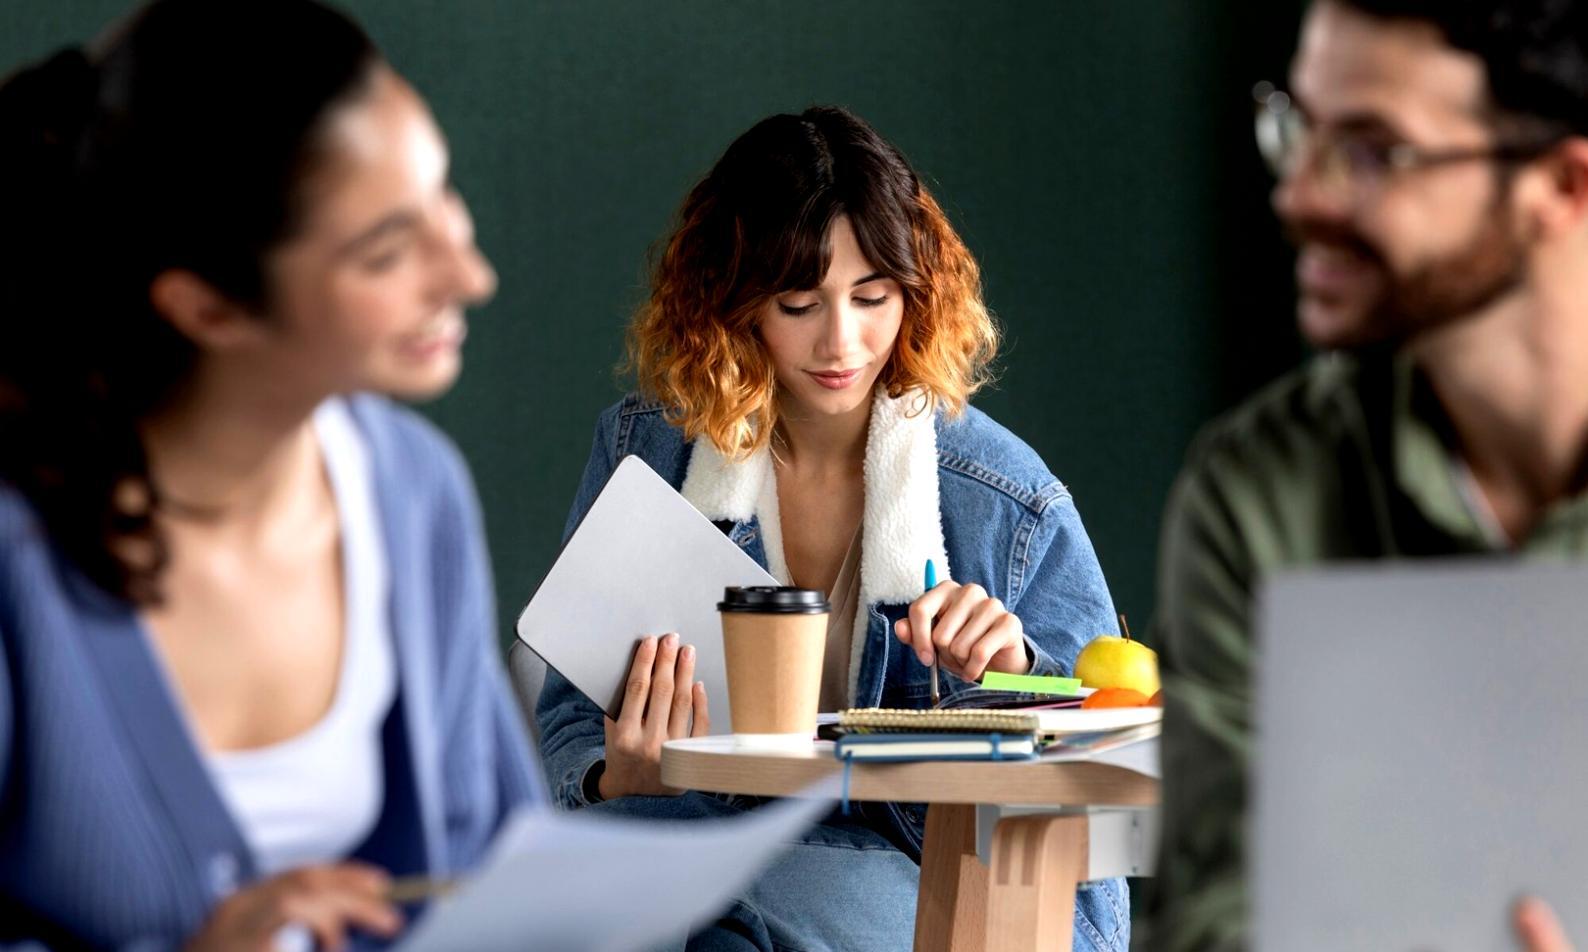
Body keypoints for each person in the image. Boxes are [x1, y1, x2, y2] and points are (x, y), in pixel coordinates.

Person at [0, 1, 546, 947]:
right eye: (386, 249)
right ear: (207, 306)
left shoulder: (416, 491)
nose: (467, 272)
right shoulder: (18, 554)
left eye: (442, 195)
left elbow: (501, 867)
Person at [535, 106, 1129, 951]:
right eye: (799, 303)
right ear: (732, 301)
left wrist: (1018, 677)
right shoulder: (646, 453)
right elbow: (567, 716)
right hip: (706, 848)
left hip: (930, 875)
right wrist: (615, 777)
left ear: (916, 292)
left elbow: (1106, 766)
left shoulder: (1005, 498)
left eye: (872, 297)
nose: (841, 341)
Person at [1150, 1, 1588, 949]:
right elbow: (1213, 917)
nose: (1299, 194)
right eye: (1298, 130)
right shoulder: (1261, 489)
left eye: (1375, 151)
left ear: (1560, 183)